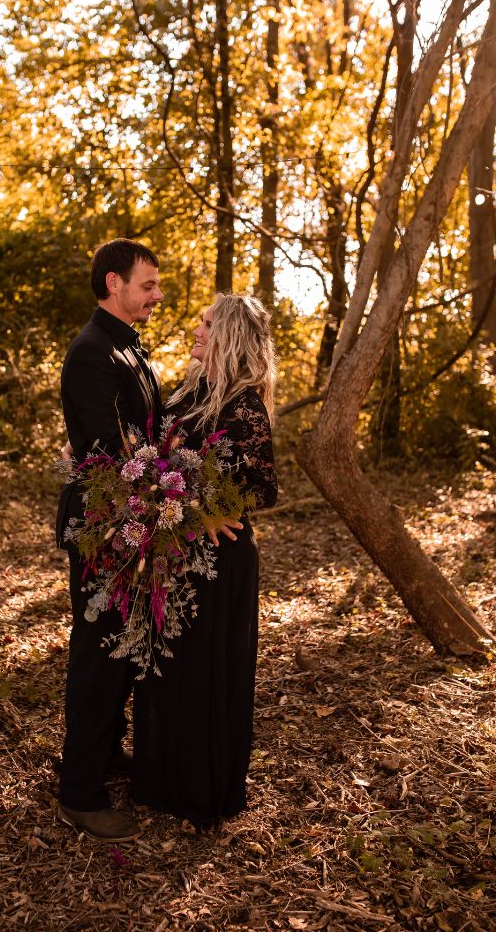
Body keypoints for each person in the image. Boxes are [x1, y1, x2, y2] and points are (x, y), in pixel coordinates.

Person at [132, 293, 278, 829]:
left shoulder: (243, 404)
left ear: (230, 335)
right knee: (167, 663)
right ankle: (160, 777)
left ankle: (201, 787)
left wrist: (206, 510)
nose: (196, 329)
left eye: (206, 323)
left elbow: (261, 488)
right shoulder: (189, 391)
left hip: (220, 559)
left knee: (206, 668)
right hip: (176, 552)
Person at [56, 238, 164, 841]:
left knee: (122, 649)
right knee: (98, 654)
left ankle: (100, 755)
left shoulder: (127, 345)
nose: (156, 295)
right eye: (146, 285)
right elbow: (106, 450)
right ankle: (79, 793)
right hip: (103, 528)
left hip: (131, 524)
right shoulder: (92, 351)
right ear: (113, 283)